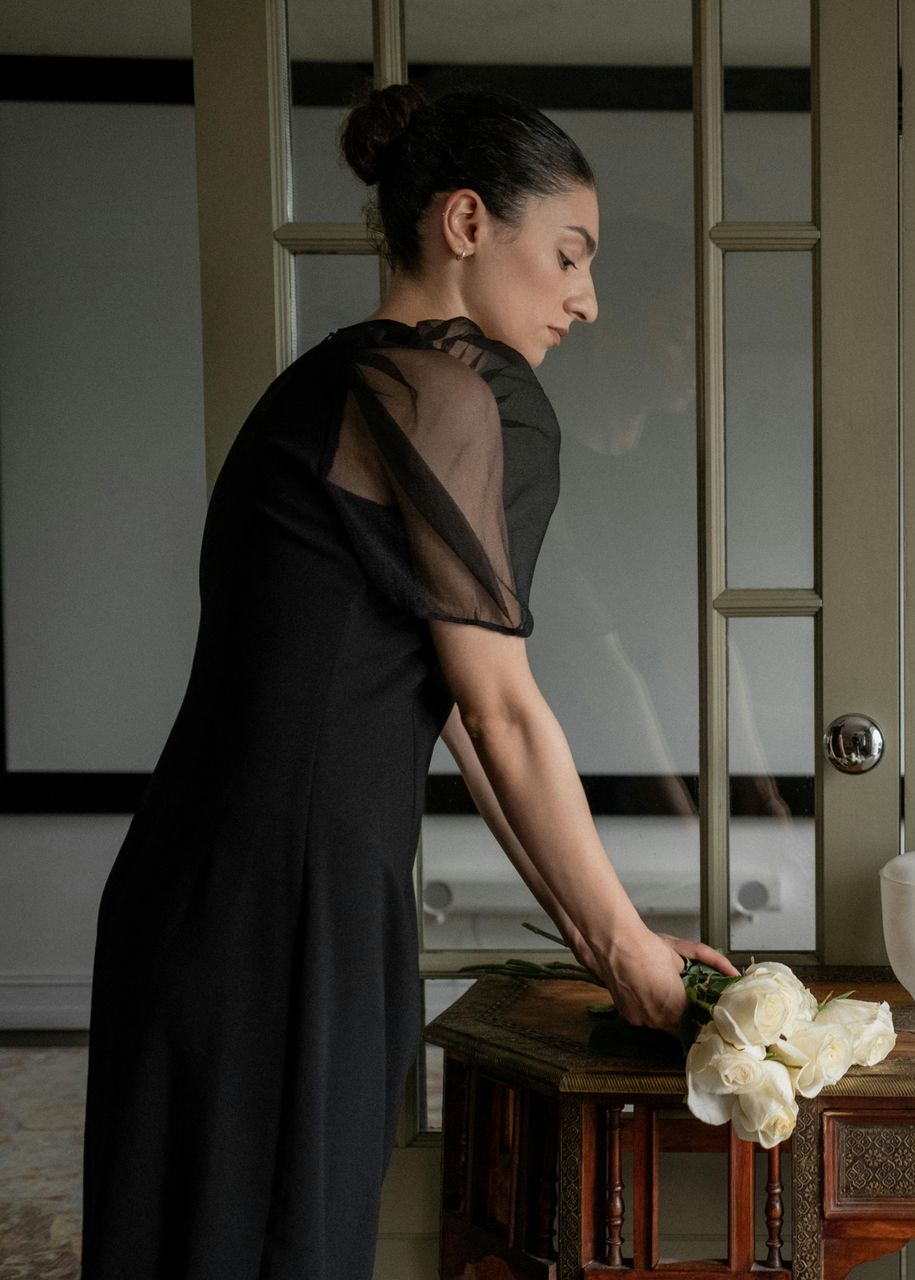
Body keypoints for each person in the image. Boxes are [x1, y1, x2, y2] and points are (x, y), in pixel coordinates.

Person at [79, 83, 734, 1278]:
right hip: (291, 899)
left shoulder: (328, 380)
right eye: (570, 255)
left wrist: (615, 934)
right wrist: (630, 951)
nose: (586, 300)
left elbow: (466, 729)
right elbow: (501, 710)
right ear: (469, 224)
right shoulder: (462, 396)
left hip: (200, 885)